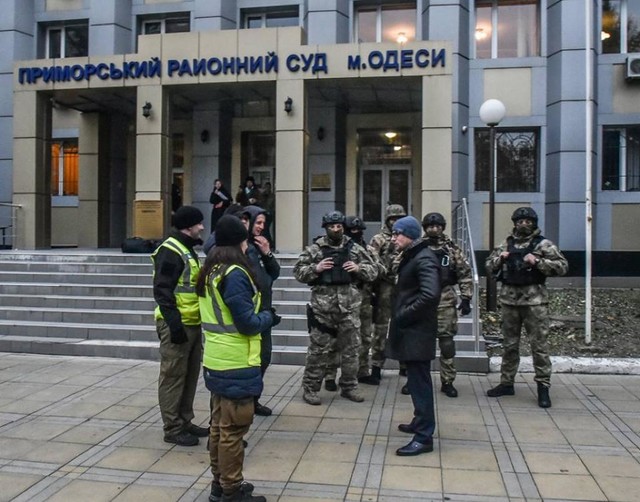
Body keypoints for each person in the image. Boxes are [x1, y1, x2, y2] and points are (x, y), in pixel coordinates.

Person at [196, 215, 280, 502]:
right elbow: (246, 322)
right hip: (236, 360)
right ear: (239, 243)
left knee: (220, 427)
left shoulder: (211, 269)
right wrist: (268, 317)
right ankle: (230, 490)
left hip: (217, 358)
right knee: (233, 430)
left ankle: (221, 484)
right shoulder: (235, 274)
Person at [485, 207, 568, 408]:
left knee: (539, 346)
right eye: (520, 221)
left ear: (534, 223)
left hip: (534, 302)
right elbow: (489, 265)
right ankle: (506, 383)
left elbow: (563, 266)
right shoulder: (506, 243)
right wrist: (500, 258)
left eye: (528, 221)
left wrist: (538, 261)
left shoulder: (543, 244)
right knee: (509, 345)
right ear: (514, 223)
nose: (523, 224)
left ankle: (543, 387)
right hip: (509, 301)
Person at [294, 211, 378, 405]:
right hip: (323, 310)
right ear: (325, 228)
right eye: (332, 227)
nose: (335, 229)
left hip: (349, 308)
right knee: (318, 351)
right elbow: (298, 271)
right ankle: (311, 388)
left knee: (351, 350)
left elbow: (374, 270)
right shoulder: (315, 249)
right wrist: (316, 269)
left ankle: (349, 386)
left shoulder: (354, 248)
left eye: (339, 226)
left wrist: (359, 269)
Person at [151, 205, 209, 446]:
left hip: (192, 323)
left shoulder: (187, 249)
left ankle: (185, 420)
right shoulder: (171, 250)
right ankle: (172, 427)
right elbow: (162, 291)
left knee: (189, 375)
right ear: (189, 226)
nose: (202, 227)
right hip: (177, 324)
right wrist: (174, 325)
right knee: (173, 376)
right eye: (199, 224)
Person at [385, 216, 441, 456]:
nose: (394, 238)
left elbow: (430, 295)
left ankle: (424, 436)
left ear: (410, 235)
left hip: (417, 331)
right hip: (411, 330)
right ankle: (420, 422)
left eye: (398, 234)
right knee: (416, 380)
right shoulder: (413, 255)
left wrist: (403, 315)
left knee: (420, 382)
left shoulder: (424, 258)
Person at [324, 216, 382, 391]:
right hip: (338, 299)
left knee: (362, 339)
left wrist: (360, 269)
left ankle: (361, 371)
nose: (355, 234)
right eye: (351, 231)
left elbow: (379, 269)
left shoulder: (367, 250)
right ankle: (329, 375)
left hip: (362, 299)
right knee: (333, 340)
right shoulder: (329, 249)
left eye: (358, 231)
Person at [421, 212, 473, 398]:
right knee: (420, 344)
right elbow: (401, 270)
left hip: (445, 299)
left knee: (446, 342)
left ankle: (447, 380)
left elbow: (464, 273)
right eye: (430, 226)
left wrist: (466, 298)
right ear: (425, 228)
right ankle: (418, 381)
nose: (434, 229)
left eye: (437, 226)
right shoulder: (417, 247)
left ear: (442, 227)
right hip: (421, 301)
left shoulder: (452, 249)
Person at [243, 205, 281, 416]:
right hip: (253, 313)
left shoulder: (259, 245)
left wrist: (267, 253)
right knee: (255, 359)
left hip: (264, 311)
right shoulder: (244, 247)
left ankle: (253, 399)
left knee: (264, 357)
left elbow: (274, 272)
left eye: (263, 224)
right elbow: (263, 281)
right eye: (257, 223)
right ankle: (247, 401)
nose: (260, 228)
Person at [365, 204, 407, 385]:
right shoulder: (378, 239)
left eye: (399, 219)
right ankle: (376, 367)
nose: (395, 222)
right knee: (381, 329)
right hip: (385, 288)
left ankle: (405, 365)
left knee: (404, 326)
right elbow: (371, 259)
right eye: (392, 219)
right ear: (387, 220)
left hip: (404, 288)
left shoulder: (408, 238)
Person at [259, 181, 275, 246]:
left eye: (268, 187)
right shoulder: (262, 195)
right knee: (265, 229)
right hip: (263, 213)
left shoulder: (272, 196)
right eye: (266, 187)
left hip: (269, 214)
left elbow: (270, 205)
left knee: (265, 228)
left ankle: (270, 243)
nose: (267, 189)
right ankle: (269, 243)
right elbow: (260, 203)